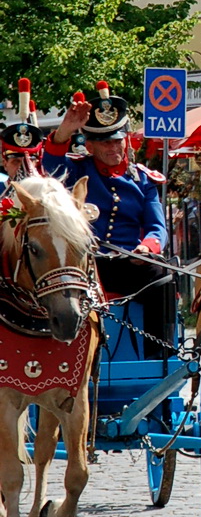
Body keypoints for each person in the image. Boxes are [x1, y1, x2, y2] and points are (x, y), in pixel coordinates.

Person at [43, 83, 169, 351]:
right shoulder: (77, 170)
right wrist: (65, 130)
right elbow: (51, 166)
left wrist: (147, 248)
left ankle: (159, 356)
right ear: (89, 145)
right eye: (105, 142)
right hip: (87, 261)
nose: (113, 148)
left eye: (117, 141)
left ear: (126, 141)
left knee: (162, 278)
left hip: (128, 261)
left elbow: (157, 227)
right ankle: (69, 353)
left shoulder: (143, 180)